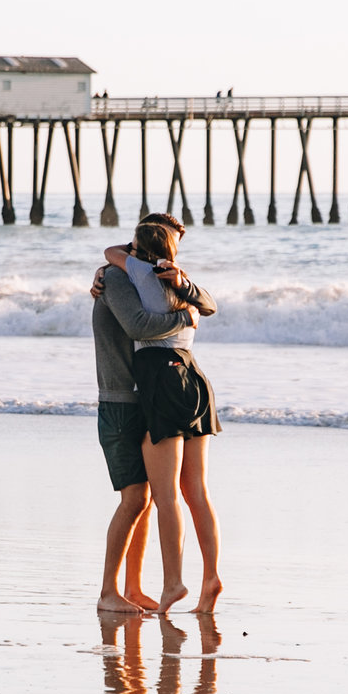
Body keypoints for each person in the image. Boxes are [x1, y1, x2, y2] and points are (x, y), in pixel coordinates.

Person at [90, 215, 210, 612]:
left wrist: (186, 291)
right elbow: (139, 325)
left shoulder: (153, 276)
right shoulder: (117, 277)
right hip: (121, 400)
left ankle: (133, 587)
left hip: (146, 396)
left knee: (144, 500)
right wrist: (185, 316)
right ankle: (109, 592)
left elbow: (207, 301)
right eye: (172, 242)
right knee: (134, 499)